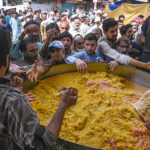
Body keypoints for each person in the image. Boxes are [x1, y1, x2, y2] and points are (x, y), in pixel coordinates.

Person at [0, 26, 78, 150]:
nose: (36, 53)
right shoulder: (13, 100)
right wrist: (63, 104)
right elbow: (42, 146)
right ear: (7, 59)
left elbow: (47, 63)